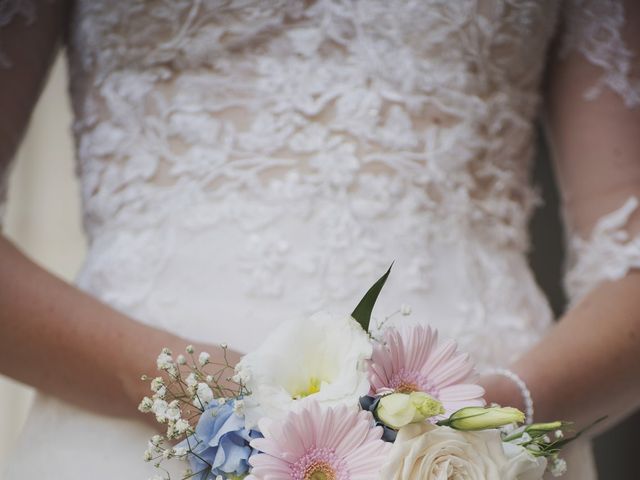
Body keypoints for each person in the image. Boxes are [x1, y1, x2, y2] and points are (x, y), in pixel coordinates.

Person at [1, 1, 639, 478]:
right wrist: (210, 397)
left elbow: (629, 256)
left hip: (470, 441)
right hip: (132, 424)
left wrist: (488, 418)